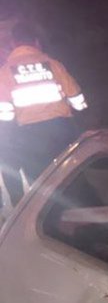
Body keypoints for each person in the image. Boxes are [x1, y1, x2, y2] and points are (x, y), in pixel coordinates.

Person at [0, 23, 86, 201]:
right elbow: (78, 101)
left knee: (43, 191)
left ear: (13, 44)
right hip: (61, 134)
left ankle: (49, 224)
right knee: (72, 181)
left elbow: (6, 115)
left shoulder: (5, 73)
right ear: (37, 43)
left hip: (30, 140)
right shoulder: (53, 65)